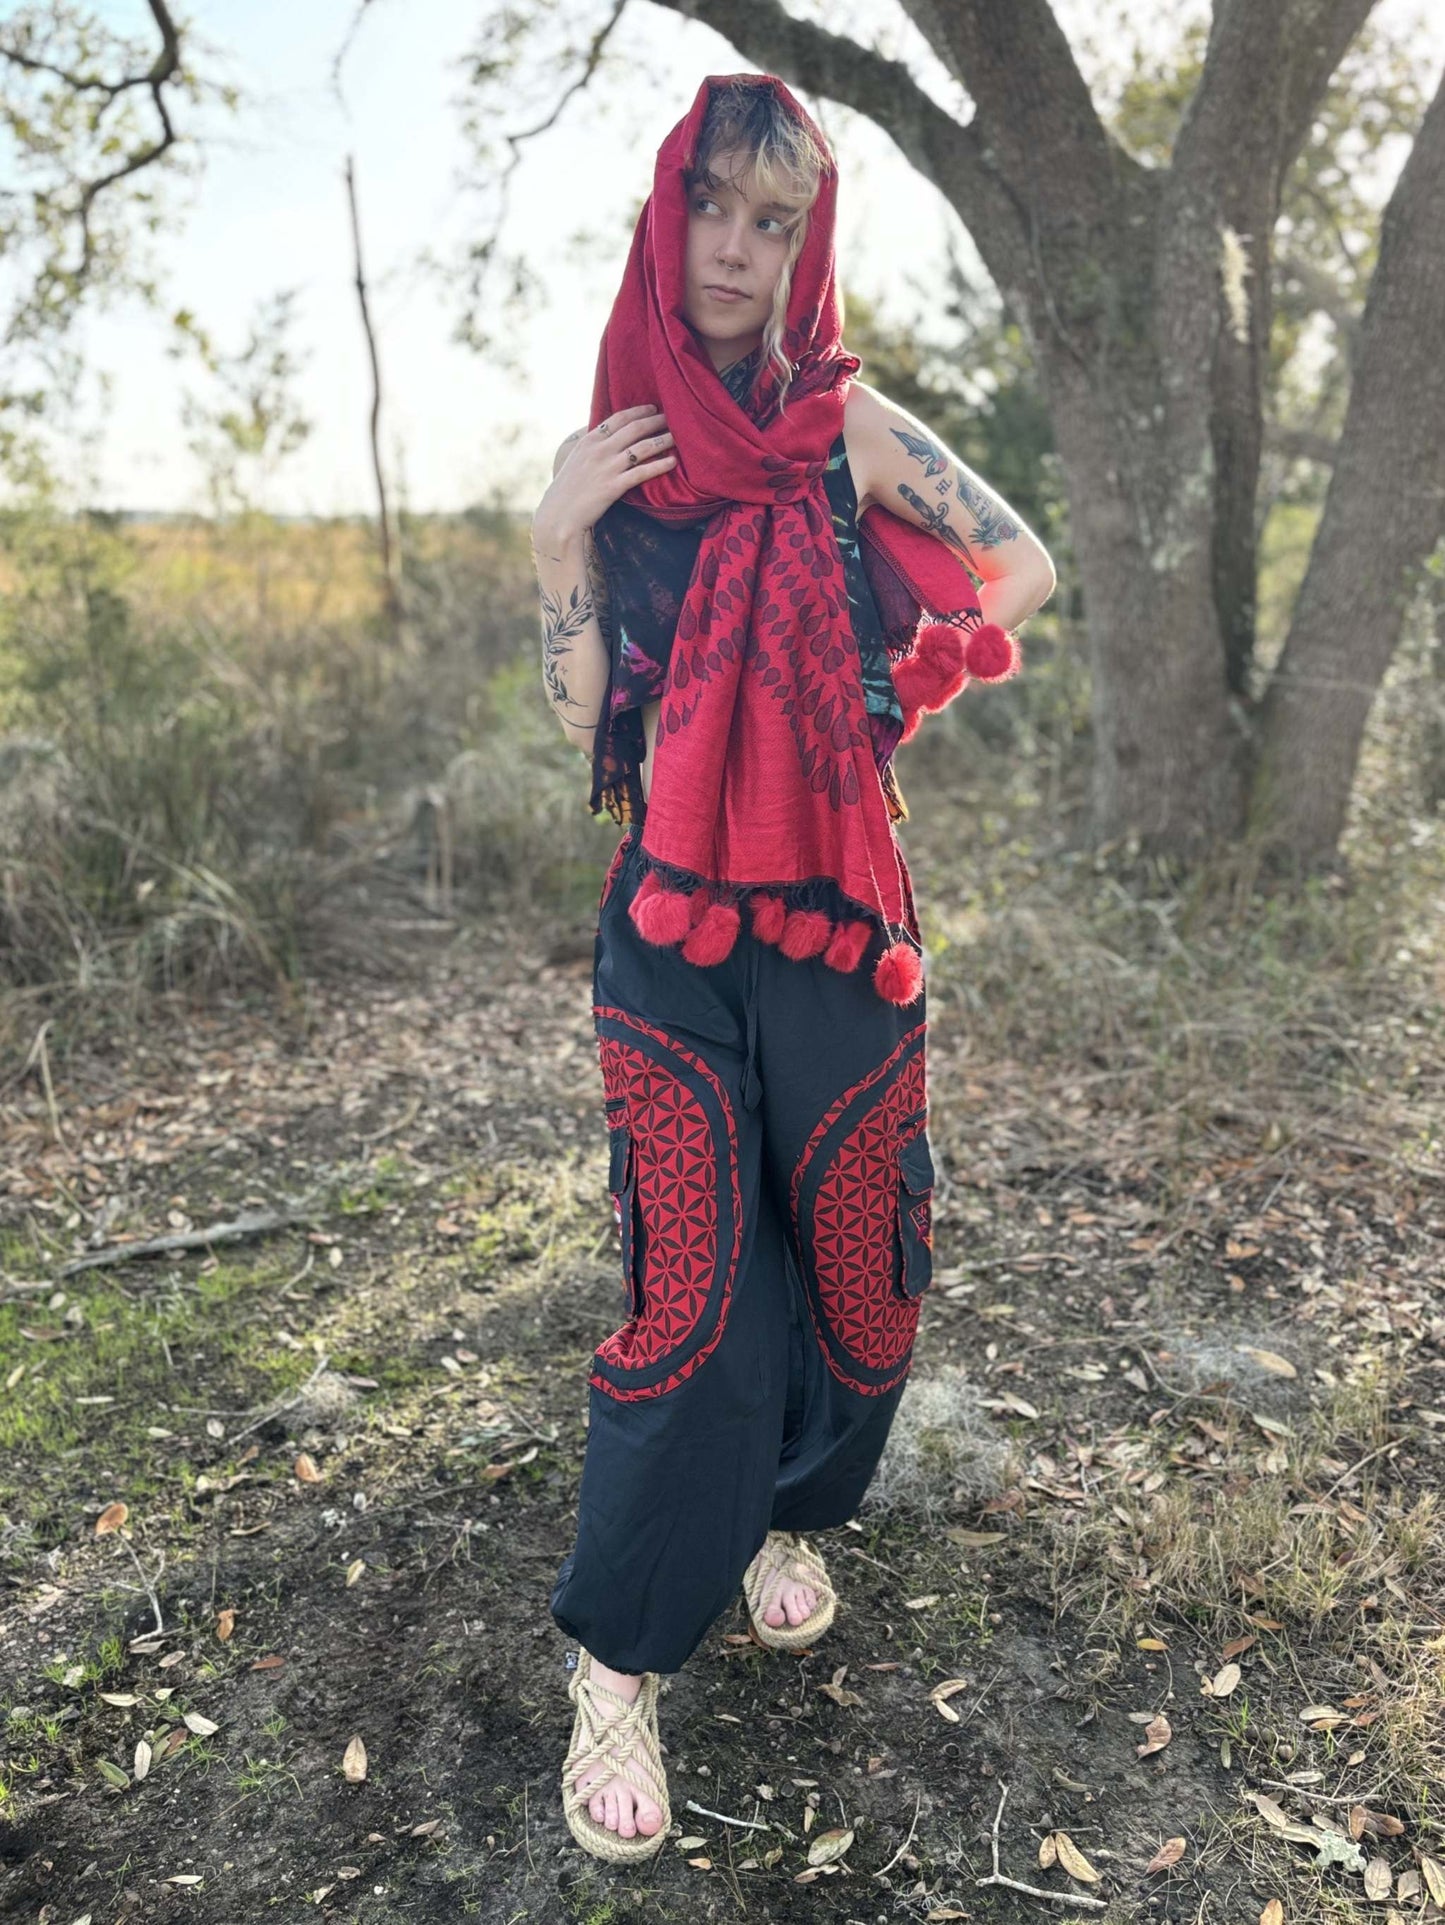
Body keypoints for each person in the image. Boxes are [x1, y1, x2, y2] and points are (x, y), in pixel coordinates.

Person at [529, 72, 1055, 1864]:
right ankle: (618, 1667)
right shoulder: (617, 448)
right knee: (694, 1292)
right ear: (666, 216)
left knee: (861, 1265)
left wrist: (880, 694)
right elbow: (584, 710)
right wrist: (555, 545)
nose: (741, 250)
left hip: (843, 928)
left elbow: (1018, 559)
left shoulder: (844, 426)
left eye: (777, 220)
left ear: (805, 238)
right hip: (671, 933)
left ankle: (780, 1513)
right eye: (717, 210)